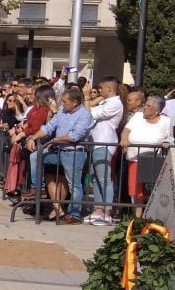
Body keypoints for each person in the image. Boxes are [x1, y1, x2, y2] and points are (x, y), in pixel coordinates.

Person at [25, 87, 93, 224]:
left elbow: (75, 136)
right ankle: (38, 188)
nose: (62, 103)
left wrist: (55, 140)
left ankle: (75, 214)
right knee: (35, 156)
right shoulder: (62, 111)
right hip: (58, 150)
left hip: (73, 152)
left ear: (75, 102)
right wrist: (33, 138)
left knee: (74, 184)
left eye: (65, 101)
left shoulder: (84, 115)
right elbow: (48, 128)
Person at [121, 95, 173, 217]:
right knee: (135, 191)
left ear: (157, 110)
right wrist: (124, 140)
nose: (144, 107)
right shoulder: (138, 116)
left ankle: (152, 217)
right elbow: (126, 130)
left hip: (153, 161)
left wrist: (167, 142)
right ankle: (137, 218)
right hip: (135, 159)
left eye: (148, 106)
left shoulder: (166, 121)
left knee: (151, 190)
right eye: (146, 104)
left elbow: (170, 138)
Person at [85, 76, 124, 226]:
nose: (99, 90)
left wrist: (88, 97)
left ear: (109, 89)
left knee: (104, 180)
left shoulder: (115, 104)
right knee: (95, 179)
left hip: (105, 144)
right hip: (95, 144)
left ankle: (107, 212)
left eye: (101, 88)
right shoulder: (104, 102)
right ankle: (98, 210)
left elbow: (90, 114)